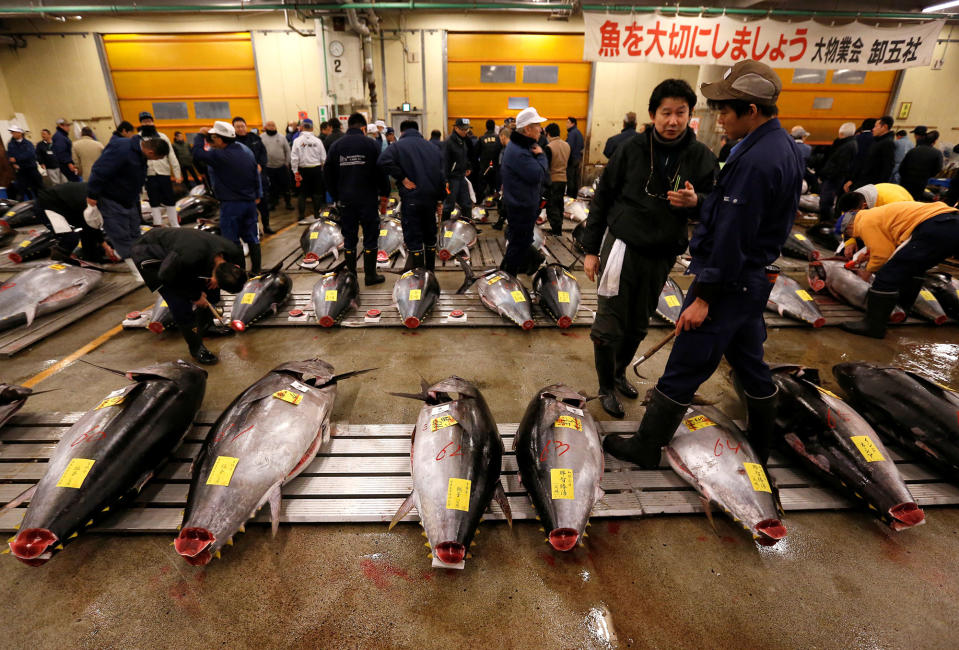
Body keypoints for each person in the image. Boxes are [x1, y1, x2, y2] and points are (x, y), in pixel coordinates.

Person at [602, 59, 803, 468]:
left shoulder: (755, 160)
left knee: (685, 364)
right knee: (750, 361)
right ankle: (762, 444)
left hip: (729, 284)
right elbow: (741, 220)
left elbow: (734, 235)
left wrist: (704, 297)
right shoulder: (779, 147)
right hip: (750, 282)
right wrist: (701, 204)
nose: (720, 120)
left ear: (751, 111)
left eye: (725, 112)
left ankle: (646, 446)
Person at [582, 78, 718, 419]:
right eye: (666, 113)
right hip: (621, 248)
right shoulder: (631, 149)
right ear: (653, 114)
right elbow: (602, 198)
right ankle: (604, 386)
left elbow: (716, 205)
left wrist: (695, 201)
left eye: (681, 113)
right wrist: (590, 249)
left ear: (690, 116)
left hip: (661, 255)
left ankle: (618, 372)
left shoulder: (701, 156)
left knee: (638, 326)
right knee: (608, 326)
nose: (673, 121)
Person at [837, 200, 959, 338]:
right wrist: (868, 256)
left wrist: (867, 272)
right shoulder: (872, 215)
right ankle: (902, 310)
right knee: (914, 268)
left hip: (935, 226)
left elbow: (882, 256)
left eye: (850, 233)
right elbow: (891, 245)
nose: (855, 236)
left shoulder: (864, 222)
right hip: (950, 223)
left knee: (886, 276)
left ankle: (873, 326)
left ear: (850, 226)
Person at [131, 228, 247, 365]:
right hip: (150, 255)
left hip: (183, 253)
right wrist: (196, 296)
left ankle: (206, 327)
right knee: (180, 303)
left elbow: (235, 275)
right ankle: (197, 348)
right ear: (215, 275)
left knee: (211, 291)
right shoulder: (189, 257)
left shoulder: (234, 252)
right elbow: (166, 276)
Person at [86, 132, 170, 277]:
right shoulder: (122, 149)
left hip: (128, 200)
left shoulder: (140, 153)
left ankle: (141, 263)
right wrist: (92, 194)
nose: (154, 160)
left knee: (134, 233)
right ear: (151, 151)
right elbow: (100, 170)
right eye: (156, 158)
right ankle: (138, 272)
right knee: (121, 235)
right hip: (111, 199)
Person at [324, 112, 391, 285]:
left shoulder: (336, 146)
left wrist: (336, 195)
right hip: (368, 199)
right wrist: (385, 192)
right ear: (363, 127)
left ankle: (351, 276)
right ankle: (370, 275)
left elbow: (328, 174)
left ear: (348, 126)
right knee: (370, 235)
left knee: (349, 237)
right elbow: (382, 170)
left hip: (346, 200)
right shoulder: (371, 144)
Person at [191, 121, 263, 274]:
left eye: (213, 137)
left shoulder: (219, 154)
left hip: (231, 205)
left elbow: (197, 153)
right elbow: (256, 174)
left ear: (219, 138)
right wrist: (258, 195)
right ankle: (256, 271)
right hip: (249, 203)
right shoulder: (246, 151)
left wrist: (200, 135)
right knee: (252, 237)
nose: (212, 139)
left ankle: (239, 273)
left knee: (231, 241)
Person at [378, 119, 445, 270]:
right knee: (430, 236)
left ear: (401, 132)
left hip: (412, 199)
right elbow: (441, 176)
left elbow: (382, 161)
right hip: (430, 200)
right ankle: (430, 273)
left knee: (414, 238)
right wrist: (440, 199)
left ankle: (418, 275)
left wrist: (401, 178)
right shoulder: (433, 147)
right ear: (418, 130)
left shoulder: (397, 146)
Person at [500, 107, 548, 277]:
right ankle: (508, 279)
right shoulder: (520, 152)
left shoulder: (520, 147)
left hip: (520, 203)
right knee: (518, 244)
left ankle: (508, 272)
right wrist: (541, 156)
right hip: (522, 206)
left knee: (519, 242)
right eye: (537, 126)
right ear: (527, 129)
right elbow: (538, 174)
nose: (541, 129)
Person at [35, 181, 115, 262]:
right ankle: (60, 263)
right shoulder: (89, 200)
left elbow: (91, 226)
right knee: (70, 237)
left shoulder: (96, 194)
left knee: (87, 233)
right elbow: (90, 225)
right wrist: (106, 246)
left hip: (64, 206)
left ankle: (91, 258)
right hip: (46, 206)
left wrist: (105, 246)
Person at [139, 112, 182, 228]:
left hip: (163, 172)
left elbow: (171, 155)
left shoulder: (163, 137)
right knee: (153, 199)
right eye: (144, 121)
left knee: (169, 198)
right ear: (141, 123)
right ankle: (157, 223)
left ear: (153, 122)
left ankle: (174, 223)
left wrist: (177, 174)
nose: (147, 123)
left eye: (149, 121)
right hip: (149, 174)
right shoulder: (139, 139)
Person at [233, 116, 273, 234]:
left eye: (242, 126)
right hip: (244, 180)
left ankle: (267, 226)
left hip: (260, 177)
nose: (240, 129)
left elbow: (263, 153)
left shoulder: (254, 138)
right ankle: (254, 229)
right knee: (249, 207)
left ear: (246, 126)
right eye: (237, 127)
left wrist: (261, 164)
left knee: (264, 204)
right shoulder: (232, 142)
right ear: (234, 128)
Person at [815, 122, 858, 227]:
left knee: (826, 201)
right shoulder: (847, 144)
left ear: (843, 134)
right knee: (825, 201)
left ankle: (825, 224)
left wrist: (826, 175)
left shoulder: (848, 146)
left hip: (833, 179)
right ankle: (823, 222)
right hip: (833, 178)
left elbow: (839, 166)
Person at [290, 118, 327, 222]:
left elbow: (294, 158)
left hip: (302, 170)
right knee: (317, 193)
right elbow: (324, 158)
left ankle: (301, 215)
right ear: (311, 128)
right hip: (316, 170)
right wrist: (323, 170)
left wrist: (295, 171)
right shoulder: (318, 141)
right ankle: (316, 214)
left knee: (302, 193)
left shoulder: (297, 141)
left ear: (302, 127)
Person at [851, 115, 895, 189]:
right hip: (863, 180)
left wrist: (879, 187)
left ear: (884, 127)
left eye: (875, 126)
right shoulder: (877, 140)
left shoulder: (888, 143)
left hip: (871, 184)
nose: (873, 129)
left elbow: (887, 167)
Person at [898, 130, 943, 201]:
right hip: (920, 182)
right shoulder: (937, 153)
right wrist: (927, 175)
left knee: (902, 200)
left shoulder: (913, 150)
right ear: (935, 141)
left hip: (905, 181)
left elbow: (902, 167)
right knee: (914, 202)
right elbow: (937, 169)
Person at [442, 118, 473, 220]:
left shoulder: (462, 141)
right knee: (449, 205)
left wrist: (468, 166)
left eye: (466, 129)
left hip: (461, 177)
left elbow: (464, 156)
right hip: (452, 179)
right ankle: (444, 227)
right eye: (462, 129)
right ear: (455, 128)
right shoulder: (449, 142)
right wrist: (445, 179)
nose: (465, 132)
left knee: (466, 203)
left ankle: (468, 226)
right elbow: (444, 162)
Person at [543, 123, 570, 237]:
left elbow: (546, 166)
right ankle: (558, 227)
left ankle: (556, 230)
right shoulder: (567, 145)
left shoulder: (549, 147)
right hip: (563, 179)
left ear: (548, 134)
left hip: (553, 180)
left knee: (552, 205)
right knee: (559, 204)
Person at [261, 120, 293, 211]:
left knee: (286, 186)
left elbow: (287, 150)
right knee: (272, 188)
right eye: (269, 125)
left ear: (275, 127)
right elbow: (259, 151)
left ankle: (288, 203)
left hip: (281, 166)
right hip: (268, 167)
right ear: (265, 127)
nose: (271, 127)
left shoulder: (282, 137)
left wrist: (287, 162)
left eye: (273, 125)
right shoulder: (261, 138)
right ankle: (273, 204)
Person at [6, 125, 43, 199]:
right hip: (21, 170)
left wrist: (16, 159)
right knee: (22, 188)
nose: (12, 134)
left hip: (31, 168)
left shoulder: (28, 143)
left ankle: (41, 201)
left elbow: (30, 154)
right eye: (12, 132)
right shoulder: (11, 144)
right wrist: (13, 163)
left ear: (20, 133)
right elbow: (9, 155)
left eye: (14, 132)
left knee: (37, 186)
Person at [475, 119, 502, 201]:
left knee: (481, 186)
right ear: (494, 127)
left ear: (486, 127)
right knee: (495, 186)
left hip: (484, 167)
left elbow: (476, 153)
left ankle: (479, 202)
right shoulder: (498, 138)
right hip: (496, 167)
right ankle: (496, 202)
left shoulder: (481, 138)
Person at [492, 127, 511, 230]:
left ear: (503, 136)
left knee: (506, 203)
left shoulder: (508, 150)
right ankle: (500, 222)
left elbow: (504, 168)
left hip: (509, 182)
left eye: (500, 138)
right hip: (509, 181)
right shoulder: (511, 148)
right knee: (505, 203)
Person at [565, 117, 584, 197]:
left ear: (573, 124)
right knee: (575, 179)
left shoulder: (572, 133)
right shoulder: (579, 133)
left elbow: (569, 147)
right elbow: (582, 146)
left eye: (568, 122)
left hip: (572, 159)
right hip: (577, 158)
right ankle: (574, 196)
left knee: (570, 179)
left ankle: (570, 197)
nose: (566, 124)